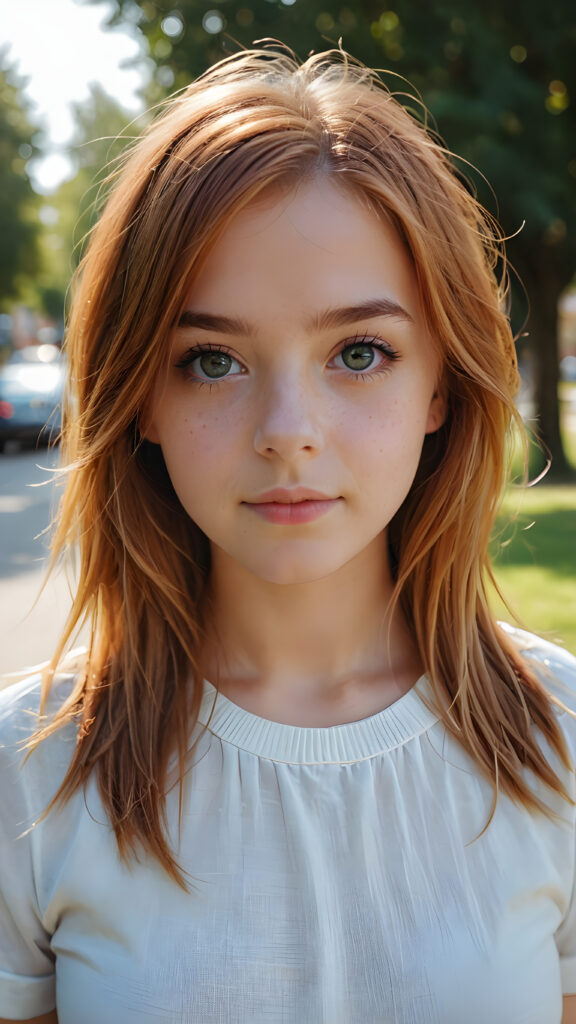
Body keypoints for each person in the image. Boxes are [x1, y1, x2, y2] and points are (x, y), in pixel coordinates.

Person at [0, 43, 575, 1024]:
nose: (286, 431)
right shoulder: (32, 771)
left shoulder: (559, 740)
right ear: (139, 395)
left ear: (441, 382)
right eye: (213, 360)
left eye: (359, 351)